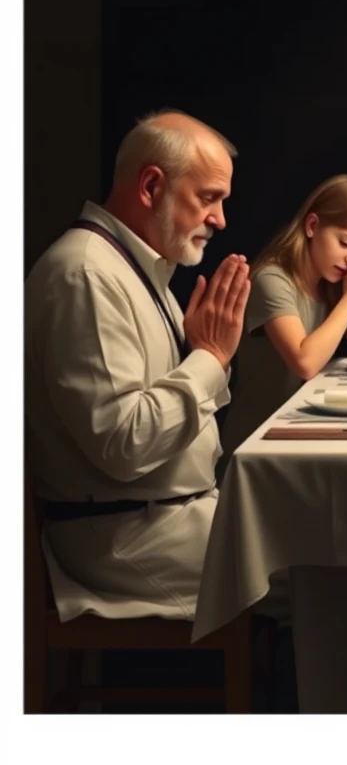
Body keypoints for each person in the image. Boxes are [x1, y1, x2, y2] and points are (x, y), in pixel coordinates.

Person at [25, 110, 249, 622]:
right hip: (126, 541)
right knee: (322, 567)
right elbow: (124, 445)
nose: (220, 219)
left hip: (169, 520)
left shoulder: (135, 267)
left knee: (328, 547)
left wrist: (204, 358)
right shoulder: (85, 273)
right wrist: (210, 359)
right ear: (151, 186)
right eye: (209, 197)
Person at [219, 174, 347, 465]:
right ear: (312, 226)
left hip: (300, 436)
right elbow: (305, 362)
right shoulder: (271, 278)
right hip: (254, 447)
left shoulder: (333, 288)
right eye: (345, 242)